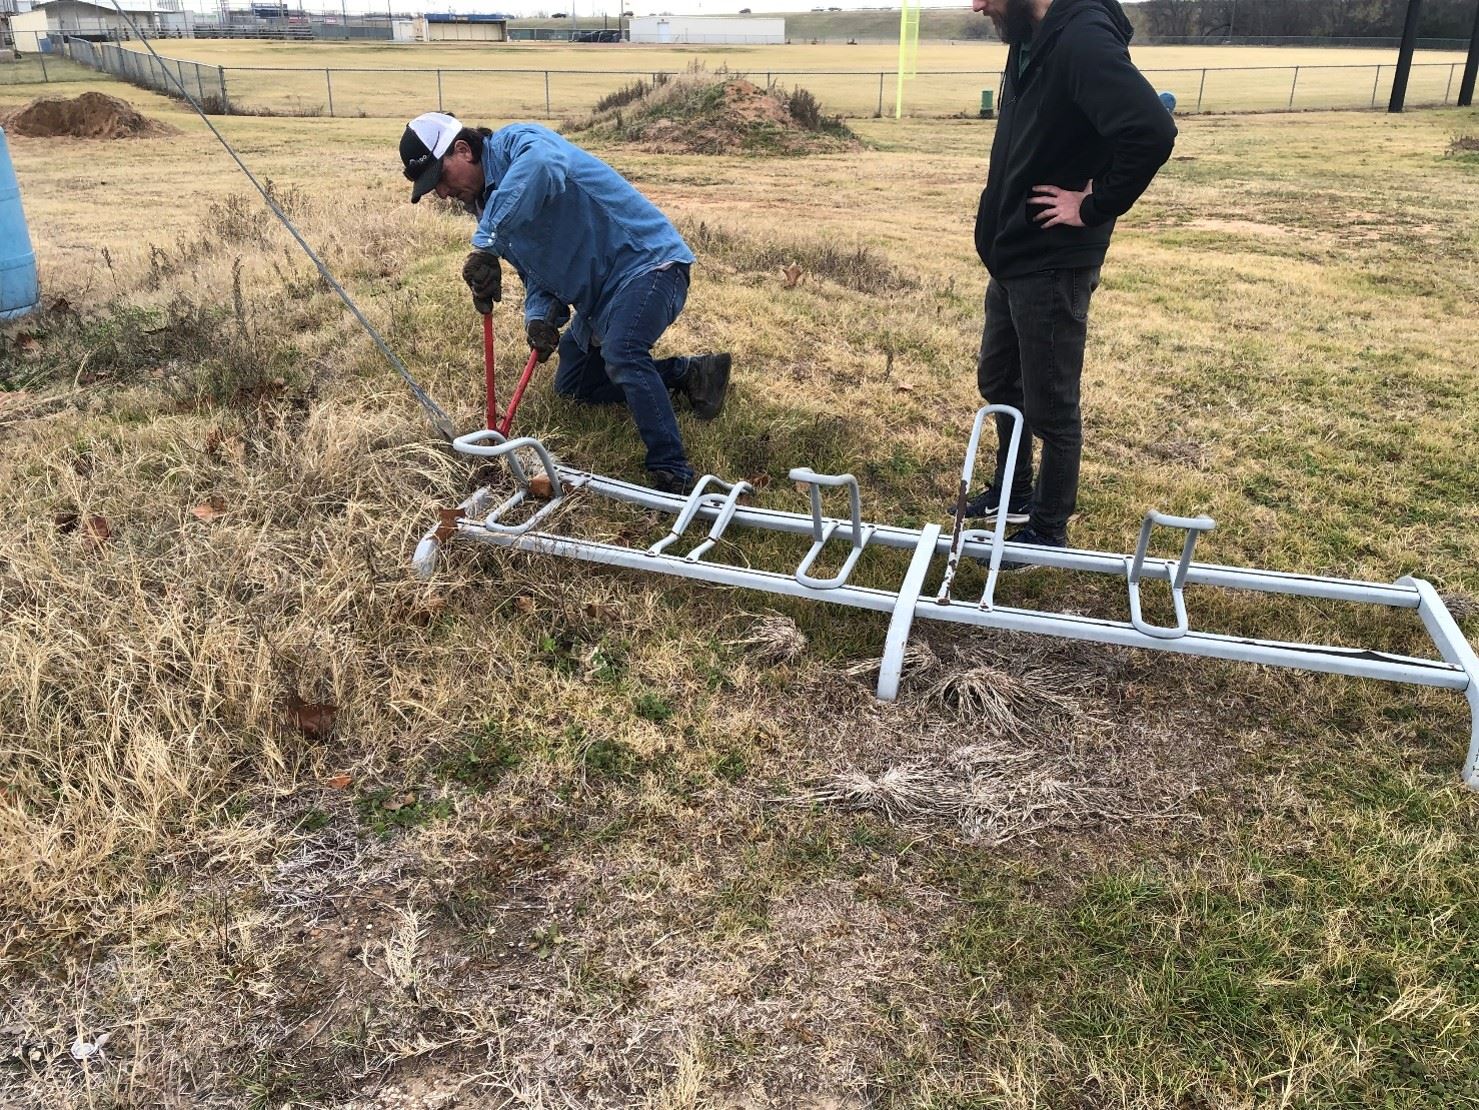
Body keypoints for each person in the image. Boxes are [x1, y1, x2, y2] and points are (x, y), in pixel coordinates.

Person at [399, 112, 730, 495]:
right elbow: (536, 273)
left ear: (463, 149)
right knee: (574, 386)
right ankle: (689, 374)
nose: (441, 193)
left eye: (440, 178)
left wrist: (486, 242)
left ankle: (672, 471)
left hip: (649, 265)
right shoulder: (488, 211)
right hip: (601, 301)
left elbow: (543, 166)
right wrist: (539, 318)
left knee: (622, 351)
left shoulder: (518, 143)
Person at [963, 0, 1176, 553]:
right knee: (999, 381)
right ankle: (1012, 492)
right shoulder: (1029, 36)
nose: (977, 4)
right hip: (1013, 250)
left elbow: (1151, 129)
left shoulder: (1082, 37)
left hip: (1053, 261)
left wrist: (1094, 204)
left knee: (1051, 405)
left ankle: (1049, 528)